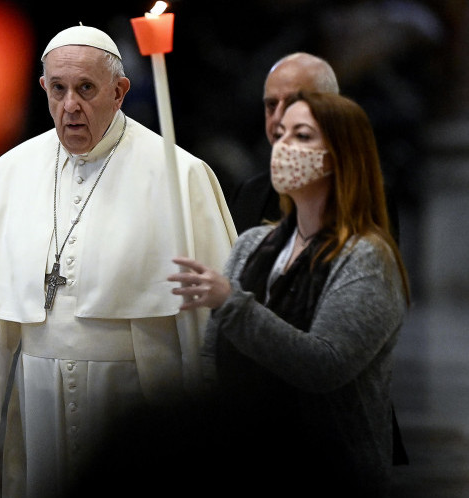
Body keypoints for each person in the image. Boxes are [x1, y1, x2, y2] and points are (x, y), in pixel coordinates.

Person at [0, 25, 237, 497]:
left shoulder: (179, 174)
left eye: (86, 89)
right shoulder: (11, 172)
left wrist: (213, 421)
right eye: (57, 89)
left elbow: (208, 322)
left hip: (137, 396)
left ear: (120, 92)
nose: (70, 106)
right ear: (43, 88)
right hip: (37, 398)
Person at [168, 91, 410, 495]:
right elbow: (214, 356)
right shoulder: (252, 244)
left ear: (340, 155)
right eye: (279, 135)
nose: (282, 147)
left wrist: (232, 303)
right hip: (249, 464)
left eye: (301, 136)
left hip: (332, 473)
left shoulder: (367, 257)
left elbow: (325, 365)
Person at [229, 52, 339, 234]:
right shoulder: (248, 195)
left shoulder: (364, 197)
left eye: (293, 104)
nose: (278, 118)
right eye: (271, 105)